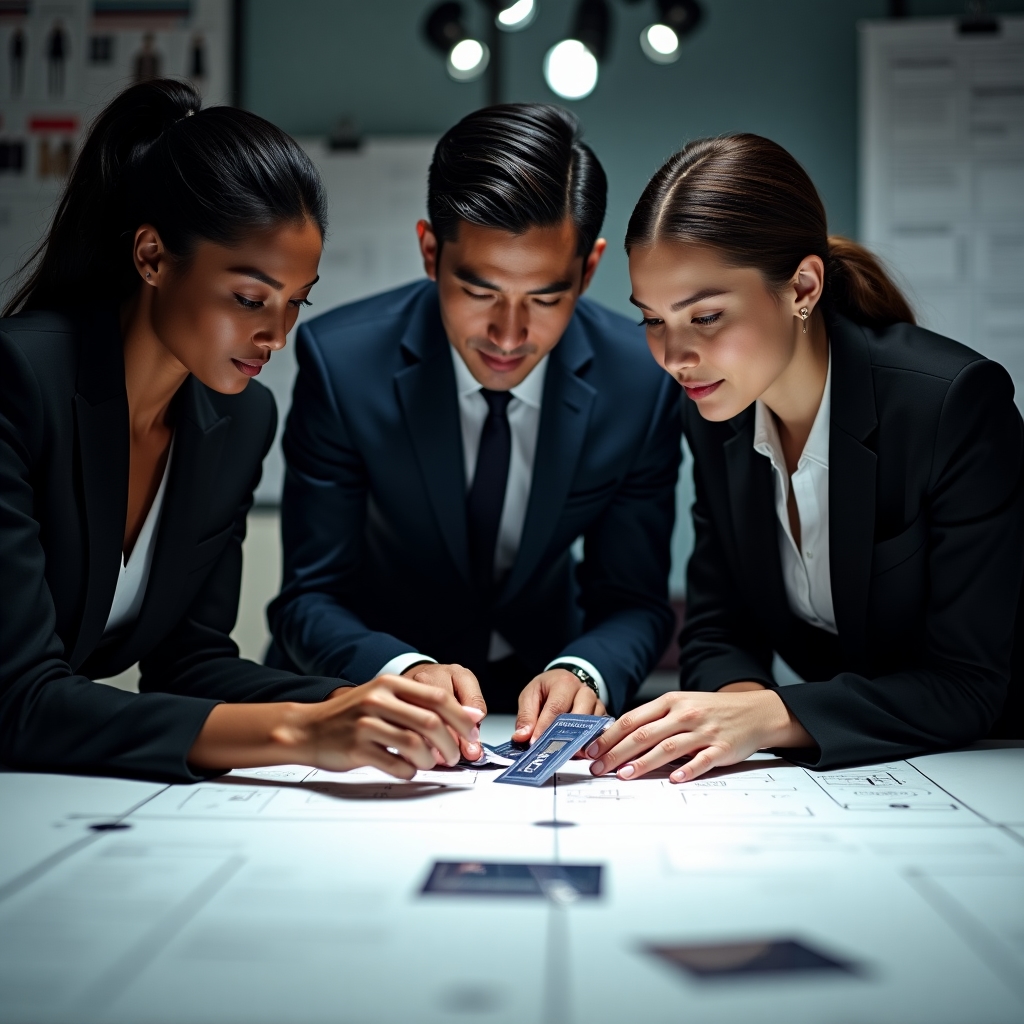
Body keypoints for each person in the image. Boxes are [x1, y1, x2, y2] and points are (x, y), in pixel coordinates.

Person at [0, 80, 479, 782]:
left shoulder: (238, 419)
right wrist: (302, 728)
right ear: (153, 258)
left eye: (295, 304)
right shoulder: (20, 377)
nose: (276, 336)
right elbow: (19, 699)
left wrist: (367, 702)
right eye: (250, 298)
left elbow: (190, 665)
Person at [586, 134, 1024, 783]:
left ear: (803, 287)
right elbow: (716, 628)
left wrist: (770, 716)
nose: (674, 356)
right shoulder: (714, 407)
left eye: (705, 316)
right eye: (652, 319)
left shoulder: (952, 405)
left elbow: (967, 683)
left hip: (991, 764)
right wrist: (731, 709)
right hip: (861, 772)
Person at [266, 104, 682, 753]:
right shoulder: (343, 364)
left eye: (545, 297)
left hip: (536, 698)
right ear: (431, 252)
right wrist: (401, 671)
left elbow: (633, 599)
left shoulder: (642, 381)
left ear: (589, 270)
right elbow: (309, 596)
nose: (509, 335)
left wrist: (584, 670)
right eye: (481, 291)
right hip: (363, 693)